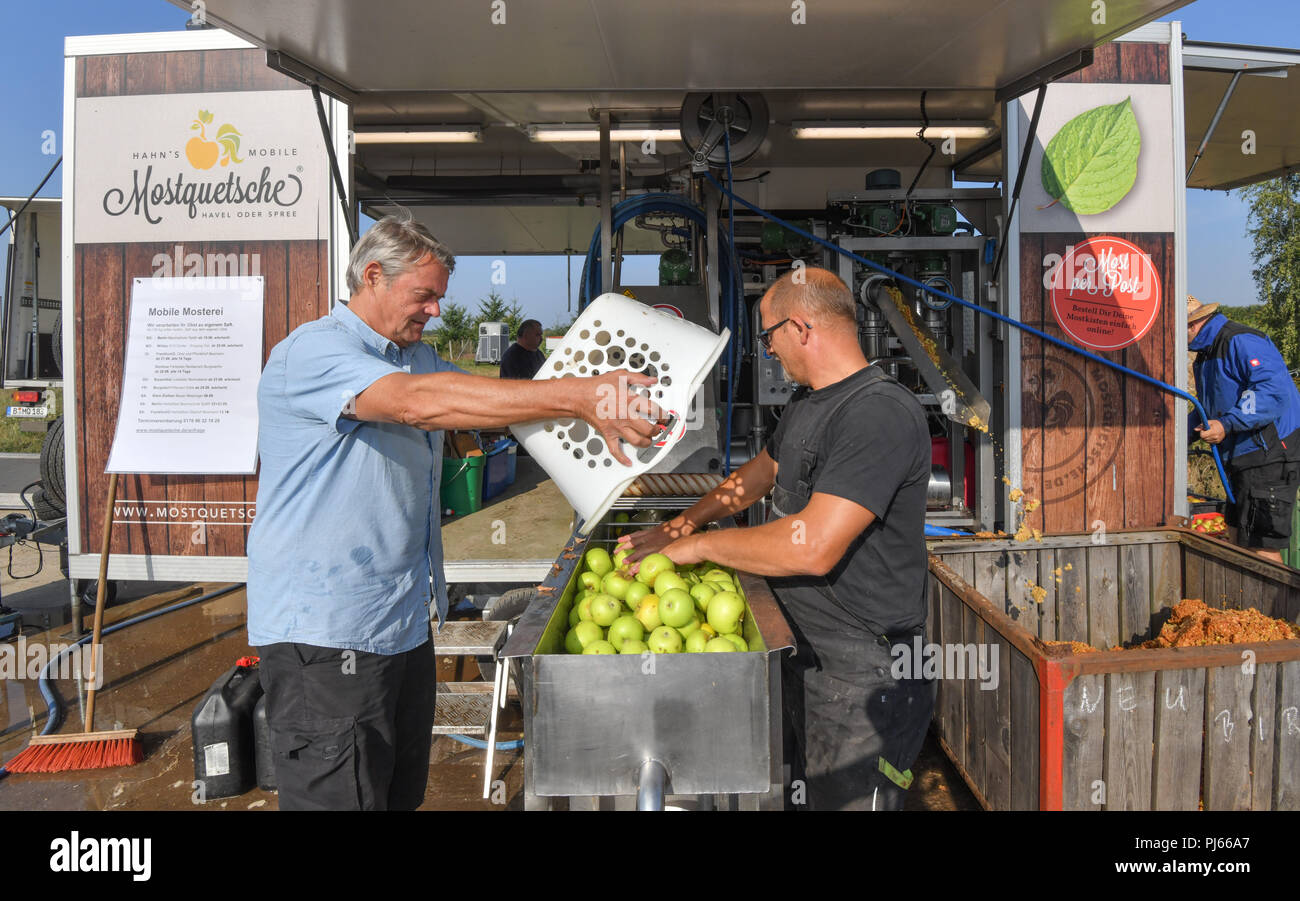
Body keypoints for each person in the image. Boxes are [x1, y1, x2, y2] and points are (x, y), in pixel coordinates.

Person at [247, 211, 662, 810]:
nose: (436, 311)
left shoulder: (417, 356)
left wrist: (597, 398)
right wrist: (579, 396)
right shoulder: (312, 353)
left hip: (401, 622)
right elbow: (415, 405)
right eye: (425, 296)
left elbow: (483, 402)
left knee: (394, 795)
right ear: (372, 277)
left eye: (441, 298)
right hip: (327, 634)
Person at [619, 267, 933, 810]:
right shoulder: (812, 402)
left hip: (866, 674)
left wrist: (699, 547)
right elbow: (755, 476)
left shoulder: (879, 413)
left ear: (802, 327)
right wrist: (681, 524)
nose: (766, 351)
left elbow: (812, 546)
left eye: (767, 336)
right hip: (807, 655)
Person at [1187, 295, 1300, 564]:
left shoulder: (1241, 340)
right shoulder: (1205, 355)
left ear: (1192, 325)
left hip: (1269, 455)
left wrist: (1226, 424)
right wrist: (1178, 438)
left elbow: (1272, 393)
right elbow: (1207, 409)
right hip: (1241, 458)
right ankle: (1244, 607)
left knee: (1260, 547)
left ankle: (1275, 608)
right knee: (1237, 540)